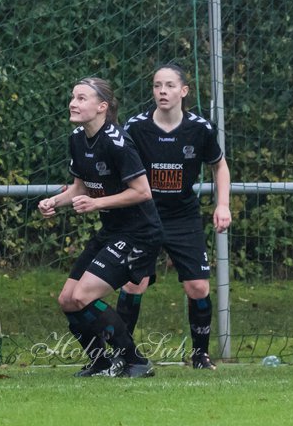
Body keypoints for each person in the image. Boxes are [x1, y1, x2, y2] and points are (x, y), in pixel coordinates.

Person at [38, 77, 163, 378]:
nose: (73, 103)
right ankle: (100, 361)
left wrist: (98, 203)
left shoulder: (118, 142)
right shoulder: (77, 138)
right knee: (67, 300)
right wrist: (54, 201)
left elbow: (143, 192)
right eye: (73, 96)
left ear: (102, 107)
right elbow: (79, 188)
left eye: (81, 98)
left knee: (82, 296)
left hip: (140, 234)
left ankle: (135, 361)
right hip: (112, 231)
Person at [120, 63, 232, 369]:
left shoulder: (200, 128)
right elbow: (120, 167)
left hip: (183, 217)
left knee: (198, 287)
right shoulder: (135, 127)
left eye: (169, 85)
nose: (162, 92)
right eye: (157, 86)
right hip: (144, 217)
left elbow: (219, 166)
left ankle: (200, 355)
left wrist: (223, 205)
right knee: (133, 284)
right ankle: (123, 353)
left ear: (183, 91)